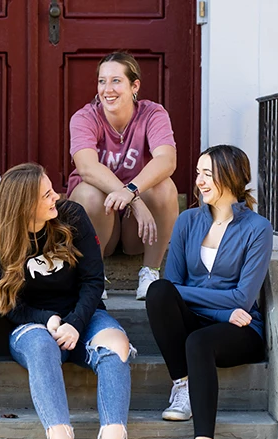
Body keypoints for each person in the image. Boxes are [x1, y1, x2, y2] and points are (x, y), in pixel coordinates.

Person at [0, 163, 134, 439]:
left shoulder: (72, 216)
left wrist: (75, 323)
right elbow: (9, 306)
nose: (56, 197)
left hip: (82, 315)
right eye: (47, 194)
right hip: (33, 324)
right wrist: (47, 319)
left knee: (117, 346)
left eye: (52, 190)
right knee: (41, 347)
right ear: (25, 205)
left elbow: (93, 281)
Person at [144, 145, 273, 439]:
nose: (199, 181)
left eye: (208, 174)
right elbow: (169, 286)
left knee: (199, 341)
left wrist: (184, 293)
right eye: (198, 173)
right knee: (158, 291)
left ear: (230, 177)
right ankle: (182, 386)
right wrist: (221, 310)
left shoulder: (257, 229)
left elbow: (243, 297)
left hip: (241, 330)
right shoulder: (187, 220)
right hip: (221, 316)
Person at [67, 50, 179, 300]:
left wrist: (130, 193)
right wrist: (134, 199)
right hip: (96, 216)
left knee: (164, 187)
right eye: (102, 81)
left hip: (135, 230)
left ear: (134, 85)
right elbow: (86, 167)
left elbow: (166, 160)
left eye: (116, 80)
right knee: (90, 191)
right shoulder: (85, 117)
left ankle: (150, 272)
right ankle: (93, 276)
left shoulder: (152, 114)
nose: (107, 89)